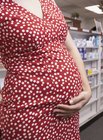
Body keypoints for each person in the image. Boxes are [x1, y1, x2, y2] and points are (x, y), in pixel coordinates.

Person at [0, 0, 91, 139]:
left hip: (67, 110)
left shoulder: (49, 1)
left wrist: (87, 89)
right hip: (28, 108)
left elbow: (71, 47)